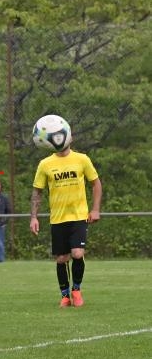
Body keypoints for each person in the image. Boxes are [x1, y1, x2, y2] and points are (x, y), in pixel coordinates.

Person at [29, 126, 102, 308]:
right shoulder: (45, 164)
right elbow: (37, 192)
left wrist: (95, 209)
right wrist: (34, 217)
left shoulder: (82, 159)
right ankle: (64, 295)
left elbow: (96, 184)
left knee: (77, 253)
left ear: (70, 137)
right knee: (62, 259)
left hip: (78, 216)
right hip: (58, 218)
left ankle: (76, 290)